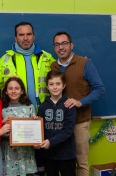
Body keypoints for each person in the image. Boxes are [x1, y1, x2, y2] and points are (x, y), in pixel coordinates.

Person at [0, 22, 55, 175]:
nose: (25, 38)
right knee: (17, 160)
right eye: (21, 35)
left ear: (33, 36)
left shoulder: (48, 58)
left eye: (28, 34)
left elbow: (60, 82)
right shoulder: (5, 60)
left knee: (42, 159)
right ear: (15, 37)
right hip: (14, 119)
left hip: (43, 116)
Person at [50, 31, 105, 176]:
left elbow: (100, 89)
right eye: (57, 44)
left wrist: (80, 102)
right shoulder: (52, 66)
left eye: (64, 43)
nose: (61, 47)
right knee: (63, 161)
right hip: (59, 124)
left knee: (81, 162)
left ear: (71, 45)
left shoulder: (85, 63)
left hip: (79, 121)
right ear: (54, 47)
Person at [36, 70, 76, 176]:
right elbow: (40, 129)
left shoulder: (69, 105)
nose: (55, 87)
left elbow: (68, 130)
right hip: (49, 156)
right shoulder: (43, 106)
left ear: (64, 85)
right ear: (47, 86)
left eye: (58, 84)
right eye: (51, 84)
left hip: (66, 155)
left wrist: (51, 142)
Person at [1, 77, 38, 176]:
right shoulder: (2, 109)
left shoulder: (30, 108)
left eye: (17, 88)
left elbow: (35, 131)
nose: (13, 91)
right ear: (5, 91)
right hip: (9, 150)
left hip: (26, 151)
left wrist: (36, 125)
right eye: (10, 88)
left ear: (22, 91)